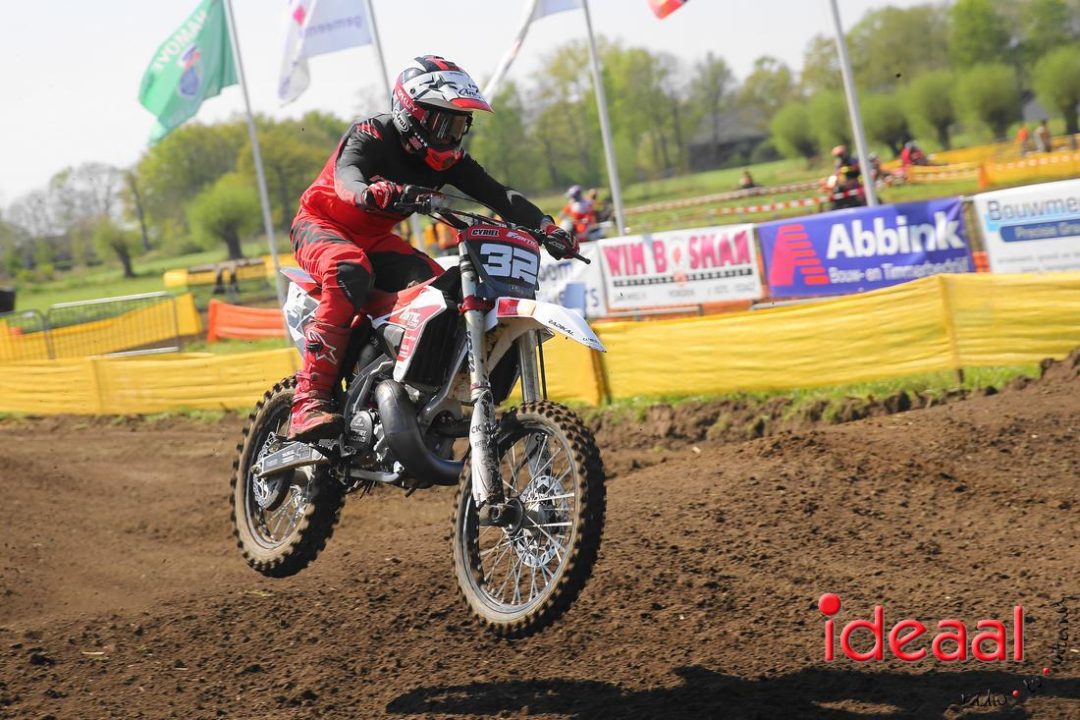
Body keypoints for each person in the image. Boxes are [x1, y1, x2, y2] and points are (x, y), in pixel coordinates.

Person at [287, 55, 577, 441]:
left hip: (376, 240)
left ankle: (408, 392)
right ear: (412, 114)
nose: (452, 136)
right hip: (320, 224)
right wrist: (368, 192)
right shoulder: (372, 133)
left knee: (440, 294)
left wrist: (546, 227)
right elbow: (347, 176)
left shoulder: (449, 161)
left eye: (459, 125)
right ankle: (309, 399)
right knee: (348, 268)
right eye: (444, 123)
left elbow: (499, 195)